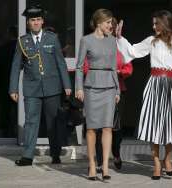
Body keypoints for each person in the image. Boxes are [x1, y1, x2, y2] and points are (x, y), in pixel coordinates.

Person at [116, 10, 172, 180]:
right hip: (154, 84)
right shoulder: (152, 41)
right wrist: (120, 38)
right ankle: (156, 163)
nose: (153, 26)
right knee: (153, 124)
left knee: (170, 124)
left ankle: (168, 159)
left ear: (165, 23)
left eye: (156, 23)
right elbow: (133, 51)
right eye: (153, 23)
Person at [9, 4, 71, 166]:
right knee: (31, 121)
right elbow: (16, 66)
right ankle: (27, 156)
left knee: (53, 122)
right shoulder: (22, 41)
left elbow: (61, 63)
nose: (35, 23)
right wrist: (13, 88)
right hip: (31, 89)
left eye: (38, 20)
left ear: (42, 21)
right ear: (28, 23)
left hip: (52, 87)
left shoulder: (52, 38)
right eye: (32, 20)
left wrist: (67, 85)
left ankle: (55, 154)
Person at [82, 17, 133, 173]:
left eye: (113, 27)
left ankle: (116, 153)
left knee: (114, 127)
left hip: (116, 90)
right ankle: (98, 162)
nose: (110, 28)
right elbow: (85, 67)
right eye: (109, 26)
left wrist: (119, 72)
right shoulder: (92, 43)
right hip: (96, 87)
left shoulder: (118, 46)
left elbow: (129, 68)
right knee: (96, 128)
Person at [75, 9, 120, 181]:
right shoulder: (86, 40)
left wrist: (117, 89)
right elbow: (79, 66)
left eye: (111, 23)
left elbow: (114, 66)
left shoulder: (112, 41)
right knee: (92, 128)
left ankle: (106, 167)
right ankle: (92, 165)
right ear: (99, 22)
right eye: (108, 22)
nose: (111, 26)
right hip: (92, 87)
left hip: (109, 86)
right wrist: (79, 87)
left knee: (108, 127)